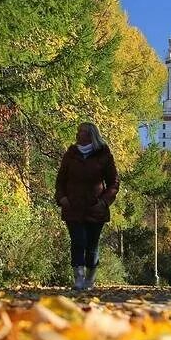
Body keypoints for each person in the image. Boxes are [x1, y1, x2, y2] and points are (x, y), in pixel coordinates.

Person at [54, 122, 119, 290]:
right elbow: (61, 179)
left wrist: (104, 202)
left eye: (81, 132)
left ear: (91, 135)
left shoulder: (103, 154)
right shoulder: (71, 154)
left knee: (92, 245)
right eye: (78, 132)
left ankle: (90, 278)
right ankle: (79, 278)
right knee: (78, 241)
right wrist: (62, 198)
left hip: (95, 208)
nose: (78, 135)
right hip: (73, 207)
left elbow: (113, 182)